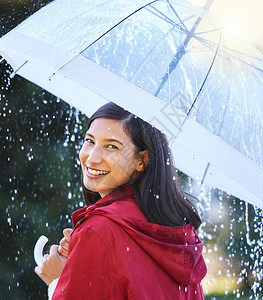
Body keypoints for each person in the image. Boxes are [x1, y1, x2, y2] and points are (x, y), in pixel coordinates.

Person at [35, 102, 207, 299]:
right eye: (90, 141)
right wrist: (85, 260)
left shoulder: (100, 229)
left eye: (111, 146)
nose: (92, 158)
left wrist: (59, 281)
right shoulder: (179, 236)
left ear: (141, 160)